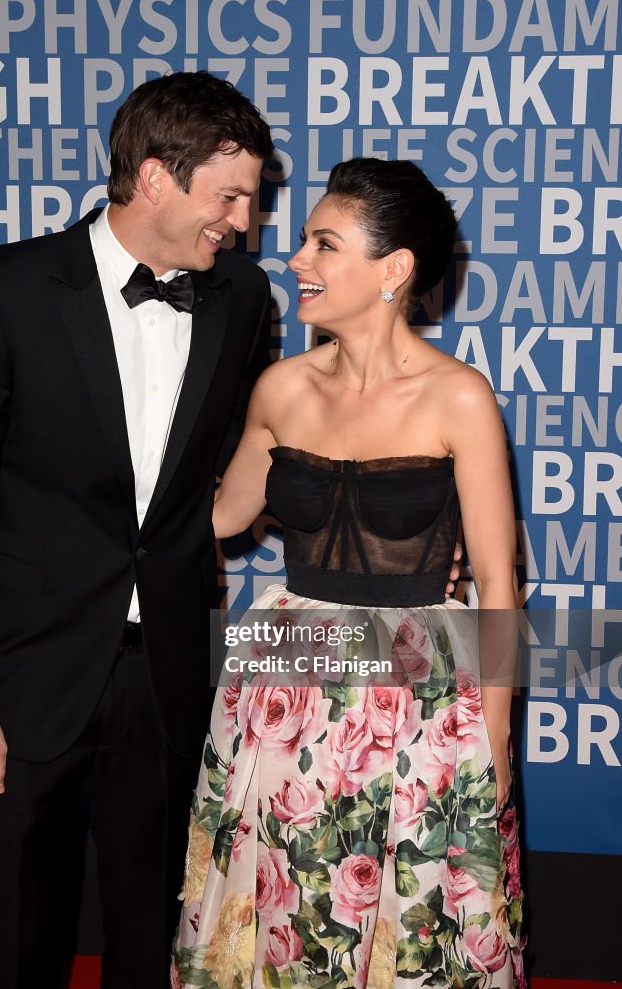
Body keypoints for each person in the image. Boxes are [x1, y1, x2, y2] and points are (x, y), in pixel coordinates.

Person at [0, 70, 275, 989]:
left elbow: (255, 467)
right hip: (24, 679)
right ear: (155, 177)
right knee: (19, 934)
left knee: (154, 936)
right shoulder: (4, 288)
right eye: (229, 196)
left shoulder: (241, 297)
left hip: (167, 679)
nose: (241, 220)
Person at [173, 158, 526, 988]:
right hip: (282, 688)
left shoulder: (458, 398)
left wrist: (496, 733)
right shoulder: (282, 388)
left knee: (409, 915)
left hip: (418, 699)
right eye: (302, 241)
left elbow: (499, 586)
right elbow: (216, 519)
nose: (296, 259)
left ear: (392, 271)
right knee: (284, 902)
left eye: (322, 244)